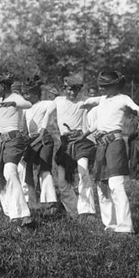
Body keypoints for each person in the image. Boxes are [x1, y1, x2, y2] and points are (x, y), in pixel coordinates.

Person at [83, 70, 139, 234]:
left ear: (115, 86)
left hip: (115, 143)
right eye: (100, 86)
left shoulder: (123, 98)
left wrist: (133, 112)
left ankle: (125, 227)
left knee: (116, 184)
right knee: (102, 184)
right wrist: (83, 134)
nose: (101, 89)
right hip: (101, 143)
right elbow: (99, 121)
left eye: (105, 86)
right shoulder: (102, 100)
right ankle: (110, 223)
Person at [42, 75, 96, 219]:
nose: (72, 93)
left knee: (83, 172)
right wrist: (42, 129)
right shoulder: (58, 101)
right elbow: (46, 113)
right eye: (69, 90)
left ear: (79, 90)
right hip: (64, 143)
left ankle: (87, 211)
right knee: (61, 181)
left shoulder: (85, 101)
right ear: (64, 89)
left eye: (75, 90)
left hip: (81, 141)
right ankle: (73, 211)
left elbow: (102, 104)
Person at [0, 73, 33, 226]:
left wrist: (14, 103)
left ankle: (24, 214)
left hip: (14, 141)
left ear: (3, 86)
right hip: (1, 142)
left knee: (9, 171)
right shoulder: (1, 99)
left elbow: (28, 104)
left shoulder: (15, 96)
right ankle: (12, 213)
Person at [22, 77, 58, 212]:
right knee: (27, 169)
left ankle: (50, 202)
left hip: (44, 139)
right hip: (30, 141)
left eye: (28, 94)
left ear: (36, 94)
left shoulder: (46, 104)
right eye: (24, 94)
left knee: (44, 168)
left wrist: (49, 89)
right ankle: (31, 200)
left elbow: (54, 106)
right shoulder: (25, 109)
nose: (25, 96)